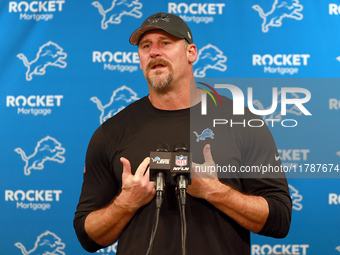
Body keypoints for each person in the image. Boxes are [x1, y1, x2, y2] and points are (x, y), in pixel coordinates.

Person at [74, 12, 292, 254]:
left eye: (165, 43)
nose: (154, 52)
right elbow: (88, 236)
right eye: (146, 46)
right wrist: (126, 203)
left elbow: (280, 219)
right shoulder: (111, 132)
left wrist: (216, 191)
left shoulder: (241, 122)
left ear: (191, 53)